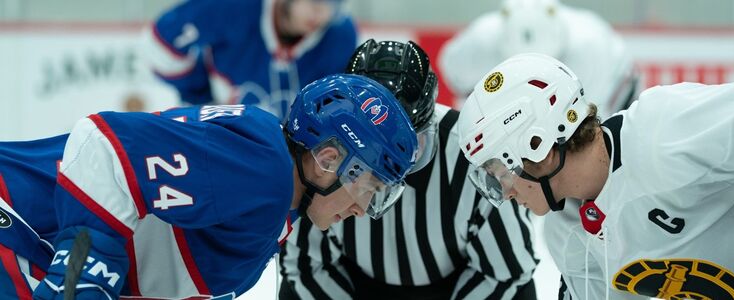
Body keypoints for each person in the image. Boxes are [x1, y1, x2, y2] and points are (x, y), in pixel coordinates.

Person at [0, 74, 419, 299]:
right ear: (328, 160)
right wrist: (84, 275)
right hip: (18, 225)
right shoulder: (265, 169)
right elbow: (104, 146)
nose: (362, 209)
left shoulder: (275, 203)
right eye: (368, 187)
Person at [456, 52, 734, 299]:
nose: (505, 192)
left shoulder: (661, 130)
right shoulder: (566, 235)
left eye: (499, 171)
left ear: (539, 147)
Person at [279, 40, 538, 299]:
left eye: (410, 145)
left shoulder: (472, 151)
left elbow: (508, 272)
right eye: (379, 148)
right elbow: (305, 268)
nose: (397, 163)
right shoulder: (325, 163)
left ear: (430, 122)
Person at [141, 0, 357, 120]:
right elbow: (162, 44)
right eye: (315, 1)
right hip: (222, 143)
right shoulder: (235, 8)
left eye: (334, 3)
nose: (322, 13)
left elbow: (335, 110)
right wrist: (200, 97)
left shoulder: (340, 35)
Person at [438, 0, 637, 118]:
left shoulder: (592, 48)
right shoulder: (479, 43)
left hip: (620, 87)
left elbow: (591, 120)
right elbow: (459, 88)